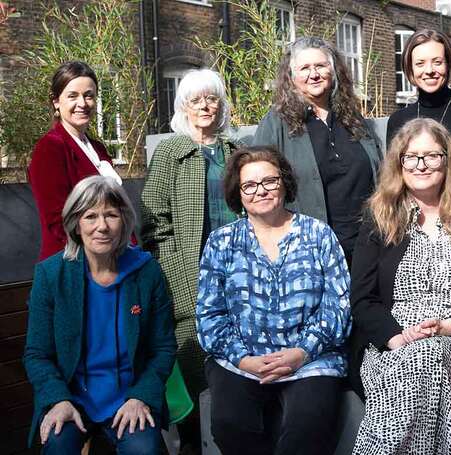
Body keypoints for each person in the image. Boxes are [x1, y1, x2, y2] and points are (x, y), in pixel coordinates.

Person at [350, 118, 451, 454]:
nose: (421, 165)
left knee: (431, 356)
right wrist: (398, 337)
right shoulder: (379, 217)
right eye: (411, 157)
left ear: (448, 160)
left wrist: (449, 326)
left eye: (431, 156)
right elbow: (362, 299)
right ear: (399, 164)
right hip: (392, 344)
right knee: (419, 361)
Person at [197, 146, 351, 455]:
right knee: (232, 424)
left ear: (284, 183)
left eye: (269, 181)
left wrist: (302, 352)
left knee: (307, 428)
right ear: (237, 193)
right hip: (240, 361)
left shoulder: (319, 234)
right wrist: (243, 359)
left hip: (310, 360)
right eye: (249, 186)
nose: (261, 191)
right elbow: (209, 315)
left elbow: (339, 306)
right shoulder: (222, 241)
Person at [23, 175, 176, 454]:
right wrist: (58, 400)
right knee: (58, 446)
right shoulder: (51, 275)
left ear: (124, 220)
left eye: (111, 215)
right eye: (90, 216)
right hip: (71, 398)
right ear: (75, 224)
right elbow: (37, 354)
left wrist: (140, 396)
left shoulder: (147, 272)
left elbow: (163, 348)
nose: (102, 226)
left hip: (129, 396)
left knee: (144, 450)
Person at [140, 68, 240, 415]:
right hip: (189, 270)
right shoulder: (170, 153)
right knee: (193, 348)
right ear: (183, 107)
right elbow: (154, 222)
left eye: (211, 98)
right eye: (196, 100)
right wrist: (176, 273)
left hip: (236, 269)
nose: (205, 106)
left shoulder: (235, 151)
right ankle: (194, 436)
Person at [252, 36, 382, 265]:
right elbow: (257, 184)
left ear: (333, 72)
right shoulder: (276, 124)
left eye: (321, 66)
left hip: (367, 247)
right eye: (304, 68)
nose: (314, 74)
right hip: (308, 251)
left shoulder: (353, 120)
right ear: (291, 77)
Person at [29, 61, 122, 261]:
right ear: (56, 101)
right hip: (73, 261)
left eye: (89, 95)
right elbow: (57, 221)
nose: (82, 103)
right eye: (72, 96)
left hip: (110, 260)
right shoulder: (50, 148)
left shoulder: (98, 148)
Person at [386, 29, 451, 200]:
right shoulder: (398, 121)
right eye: (420, 63)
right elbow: (395, 178)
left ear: (448, 65)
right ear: (410, 69)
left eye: (437, 62)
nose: (429, 70)